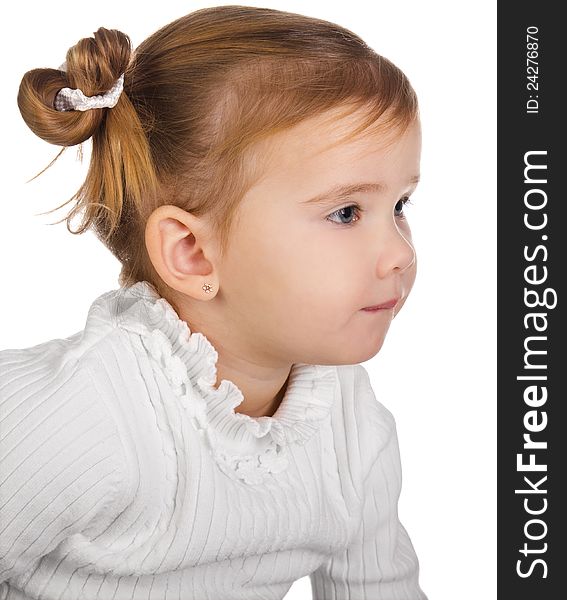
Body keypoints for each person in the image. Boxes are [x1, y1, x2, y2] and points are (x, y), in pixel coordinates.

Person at [0, 5, 428, 600]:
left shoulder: (350, 426)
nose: (399, 255)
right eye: (346, 212)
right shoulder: (86, 416)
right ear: (194, 254)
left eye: (401, 205)